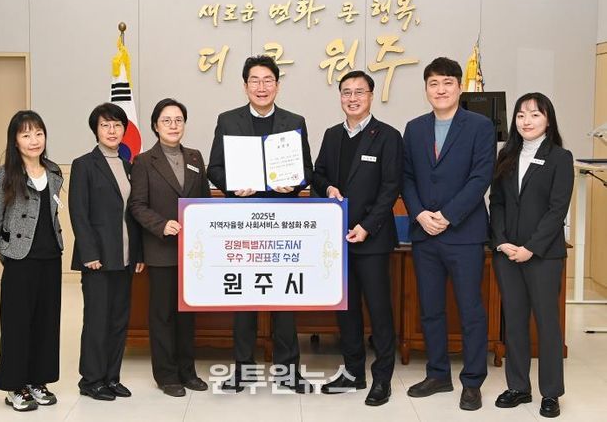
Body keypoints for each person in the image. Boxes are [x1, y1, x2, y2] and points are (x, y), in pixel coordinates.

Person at [207, 55, 313, 393]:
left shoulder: (294, 121)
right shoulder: (228, 120)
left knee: (285, 298)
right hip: (244, 222)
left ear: (277, 85)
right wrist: (233, 187)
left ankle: (288, 371)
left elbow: (307, 170)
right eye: (255, 80)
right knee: (244, 299)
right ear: (245, 86)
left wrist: (293, 183)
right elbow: (214, 168)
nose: (261, 87)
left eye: (268, 80)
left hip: (282, 224)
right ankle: (243, 370)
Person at [402, 57, 495, 410]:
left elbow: (481, 177)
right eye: (433, 83)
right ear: (426, 89)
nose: (440, 90)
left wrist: (447, 215)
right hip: (425, 233)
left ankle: (472, 381)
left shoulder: (480, 126)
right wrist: (420, 214)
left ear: (459, 87)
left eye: (447, 83)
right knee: (430, 309)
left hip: (464, 233)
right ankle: (438, 374)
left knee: (470, 310)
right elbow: (406, 177)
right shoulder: (414, 128)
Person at [313, 70, 403, 406]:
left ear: (371, 96)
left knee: (379, 310)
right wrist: (327, 188)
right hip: (337, 239)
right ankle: (353, 372)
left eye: (359, 92)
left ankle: (382, 378)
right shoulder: (332, 135)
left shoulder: (388, 136)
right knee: (346, 309)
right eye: (346, 92)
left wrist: (367, 226)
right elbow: (318, 174)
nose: (352, 98)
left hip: (372, 239)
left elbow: (391, 187)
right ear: (340, 97)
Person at [490, 93, 573, 418]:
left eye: (535, 114)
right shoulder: (506, 156)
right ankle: (518, 387)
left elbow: (557, 210)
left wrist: (531, 248)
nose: (527, 121)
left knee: (547, 325)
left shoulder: (560, 158)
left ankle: (550, 393)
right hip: (508, 254)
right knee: (514, 322)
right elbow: (497, 202)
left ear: (548, 121)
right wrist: (501, 241)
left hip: (543, 256)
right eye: (521, 115)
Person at [128, 98, 210, 397]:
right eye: (166, 120)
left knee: (187, 315)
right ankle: (166, 375)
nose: (173, 126)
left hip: (191, 252)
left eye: (178, 120)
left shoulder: (195, 157)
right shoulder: (143, 161)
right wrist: (161, 225)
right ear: (155, 126)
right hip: (161, 249)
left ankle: (187, 371)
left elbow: (204, 201)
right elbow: (137, 205)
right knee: (162, 315)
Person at [0, 110, 64, 411]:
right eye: (26, 134)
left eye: (38, 133)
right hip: (20, 259)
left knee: (46, 322)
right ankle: (14, 386)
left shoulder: (53, 171)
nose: (34, 140)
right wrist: (7, 252)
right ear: (15, 140)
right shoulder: (4, 174)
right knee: (17, 324)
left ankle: (37, 381)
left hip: (50, 257)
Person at [69, 103, 144, 401]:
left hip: (124, 258)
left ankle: (111, 377)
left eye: (117, 125)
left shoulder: (129, 166)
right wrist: (89, 253)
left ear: (125, 129)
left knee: (118, 320)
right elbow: (79, 212)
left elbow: (133, 214)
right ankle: (91, 380)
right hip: (98, 259)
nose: (112, 131)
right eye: (105, 125)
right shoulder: (84, 164)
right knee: (97, 321)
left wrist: (137, 254)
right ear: (96, 130)